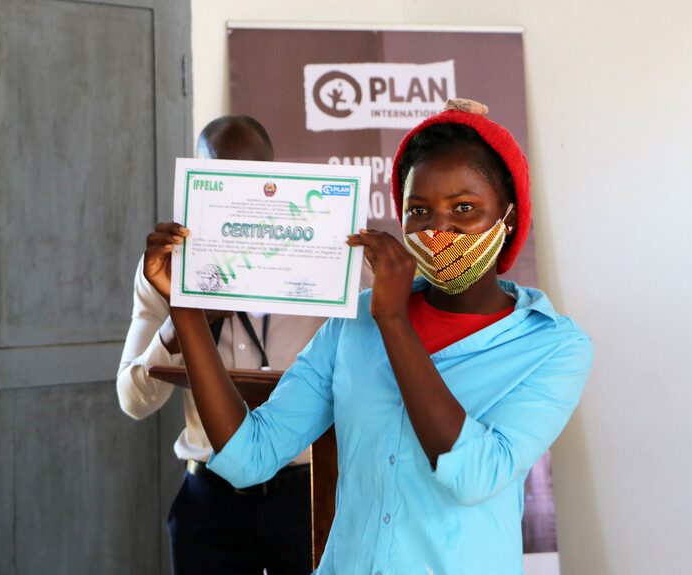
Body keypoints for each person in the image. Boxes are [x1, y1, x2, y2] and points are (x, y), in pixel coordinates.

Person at [142, 99, 593, 574]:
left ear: (510, 218)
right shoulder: (353, 322)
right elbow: (248, 455)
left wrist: (395, 322)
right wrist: (188, 310)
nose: (439, 230)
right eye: (419, 209)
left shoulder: (554, 347)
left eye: (464, 208)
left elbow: (475, 476)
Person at [117, 115, 322, 575]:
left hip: (305, 495)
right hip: (211, 500)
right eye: (218, 179)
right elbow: (132, 400)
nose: (235, 196)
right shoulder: (166, 267)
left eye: (249, 179)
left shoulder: (326, 257)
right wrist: (182, 320)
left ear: (275, 179)